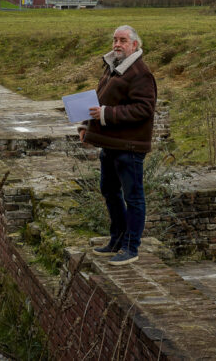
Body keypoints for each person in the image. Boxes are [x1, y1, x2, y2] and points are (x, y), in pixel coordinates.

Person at [77, 25, 157, 265]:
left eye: (123, 40)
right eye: (115, 40)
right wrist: (84, 125)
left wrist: (106, 114)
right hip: (110, 144)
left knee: (133, 197)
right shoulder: (113, 67)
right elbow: (99, 99)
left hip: (130, 147)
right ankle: (117, 239)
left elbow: (144, 109)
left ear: (135, 45)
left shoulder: (140, 73)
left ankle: (131, 248)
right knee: (109, 191)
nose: (117, 44)